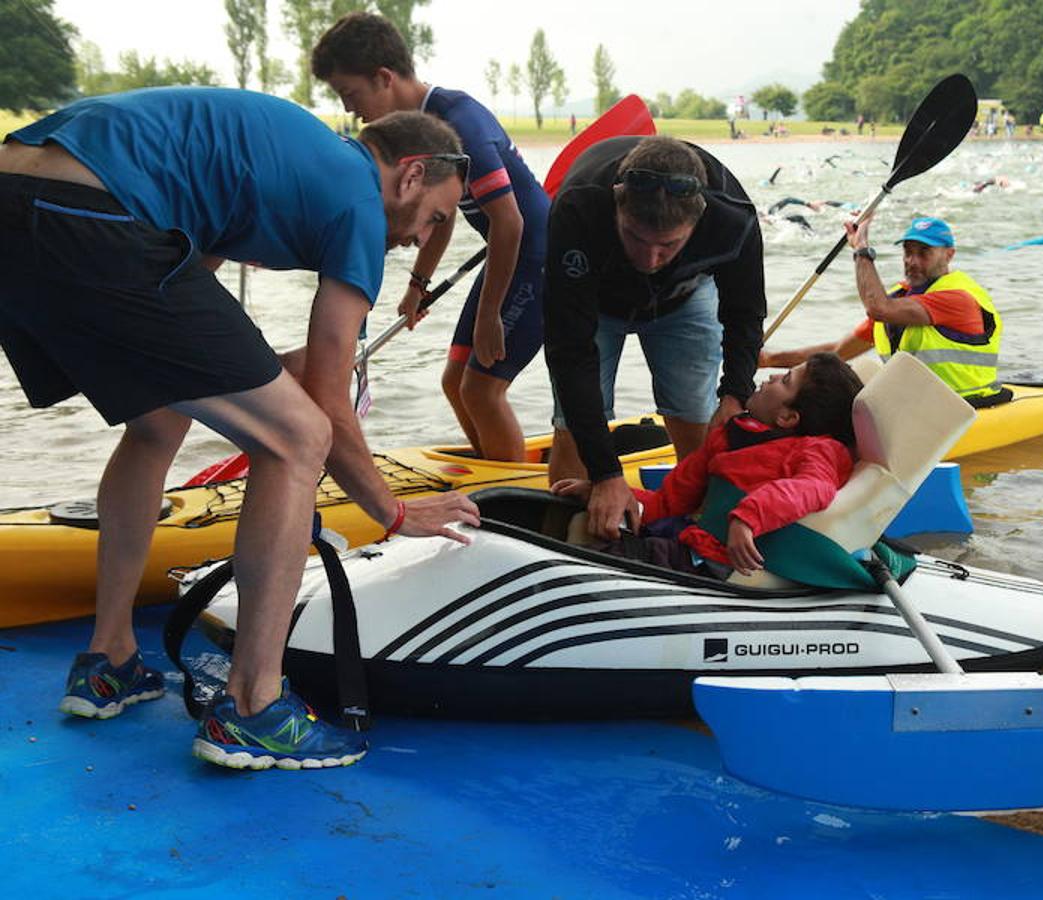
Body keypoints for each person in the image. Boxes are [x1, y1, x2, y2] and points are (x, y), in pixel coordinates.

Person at [0, 88, 481, 770]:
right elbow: (326, 407)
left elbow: (187, 341)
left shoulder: (290, 156)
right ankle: (254, 704)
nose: (419, 240)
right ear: (410, 173)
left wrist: (286, 383)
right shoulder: (356, 199)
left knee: (159, 417)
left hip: (18, 200)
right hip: (96, 211)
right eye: (432, 218)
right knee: (298, 440)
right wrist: (393, 510)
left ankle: (108, 660)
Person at [312, 12, 550, 462]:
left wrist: (490, 314)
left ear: (384, 78)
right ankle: (496, 468)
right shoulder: (421, 128)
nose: (349, 109)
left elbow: (511, 222)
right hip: (512, 254)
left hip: (539, 257)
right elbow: (441, 215)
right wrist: (417, 286)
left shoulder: (461, 123)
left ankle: (511, 492)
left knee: (481, 390)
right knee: (454, 383)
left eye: (350, 94)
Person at [543, 135, 766, 541]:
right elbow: (568, 350)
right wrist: (607, 473)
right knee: (572, 426)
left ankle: (699, 533)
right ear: (617, 201)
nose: (648, 260)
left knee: (696, 420)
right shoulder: (579, 207)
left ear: (699, 220)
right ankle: (564, 536)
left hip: (686, 297)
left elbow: (745, 315)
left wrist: (736, 394)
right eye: (635, 237)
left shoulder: (732, 217)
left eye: (668, 245)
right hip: (596, 302)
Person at [553, 353, 862, 577]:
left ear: (788, 417)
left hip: (712, 562)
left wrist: (748, 518)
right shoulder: (729, 438)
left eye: (785, 380)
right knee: (580, 521)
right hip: (688, 541)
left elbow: (813, 488)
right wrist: (609, 493)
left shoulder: (818, 451)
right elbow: (668, 502)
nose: (771, 376)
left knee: (584, 559)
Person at [760, 216, 1005, 406]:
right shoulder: (901, 301)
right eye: (908, 252)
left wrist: (861, 249)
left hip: (965, 407)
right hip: (918, 406)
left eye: (924, 253)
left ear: (949, 255)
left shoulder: (957, 297)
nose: (912, 261)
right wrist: (770, 359)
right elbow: (838, 352)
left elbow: (877, 307)